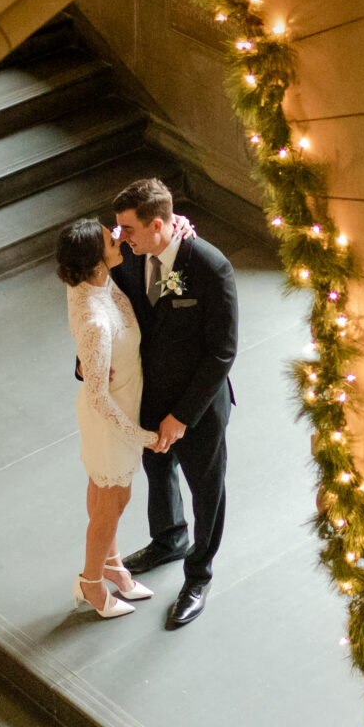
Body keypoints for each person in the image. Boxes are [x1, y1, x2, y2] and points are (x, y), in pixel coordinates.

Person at [109, 177, 238, 629]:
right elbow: (114, 313)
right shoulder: (125, 255)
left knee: (207, 488)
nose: (119, 235)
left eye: (127, 228)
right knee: (157, 468)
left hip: (196, 406)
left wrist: (181, 417)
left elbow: (222, 352)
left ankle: (198, 575)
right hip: (146, 395)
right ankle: (168, 539)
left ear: (160, 226)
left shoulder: (208, 266)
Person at [56, 218, 162, 619]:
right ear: (95, 262)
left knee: (111, 494)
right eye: (109, 238)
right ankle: (91, 583)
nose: (117, 237)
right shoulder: (96, 321)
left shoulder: (93, 282)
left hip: (123, 405)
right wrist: (141, 436)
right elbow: (98, 397)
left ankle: (113, 564)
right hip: (111, 419)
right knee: (111, 501)